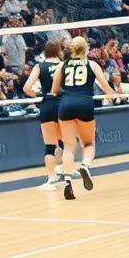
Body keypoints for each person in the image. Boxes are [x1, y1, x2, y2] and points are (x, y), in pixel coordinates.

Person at [49, 36, 116, 201]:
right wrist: (112, 96)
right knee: (88, 143)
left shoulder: (62, 66)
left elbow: (54, 90)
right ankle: (85, 165)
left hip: (66, 105)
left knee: (69, 147)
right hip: (85, 103)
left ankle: (67, 182)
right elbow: (106, 87)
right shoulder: (92, 65)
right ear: (85, 49)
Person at [22, 39, 65, 188]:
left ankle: (51, 178)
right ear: (58, 51)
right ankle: (67, 172)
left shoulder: (40, 66)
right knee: (67, 141)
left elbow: (26, 88)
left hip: (48, 104)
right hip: (64, 104)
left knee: (50, 145)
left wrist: (38, 95)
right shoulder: (63, 65)